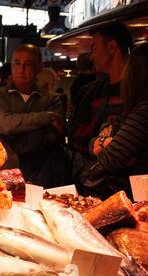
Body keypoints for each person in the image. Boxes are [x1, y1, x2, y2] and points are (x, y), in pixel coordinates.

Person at [0, 44, 69, 188]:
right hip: (6, 175)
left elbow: (48, 137)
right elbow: (6, 125)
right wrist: (47, 117)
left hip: (43, 175)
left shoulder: (52, 100)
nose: (21, 69)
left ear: (39, 67)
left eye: (28, 64)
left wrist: (10, 129)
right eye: (17, 63)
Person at [79, 42, 148, 199]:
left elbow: (110, 158)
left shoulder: (144, 110)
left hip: (139, 197)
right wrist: (104, 140)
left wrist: (103, 142)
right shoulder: (135, 109)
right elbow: (94, 142)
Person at [68, 22, 132, 179]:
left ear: (111, 47)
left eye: (95, 48)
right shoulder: (90, 92)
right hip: (93, 181)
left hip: (131, 183)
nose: (91, 57)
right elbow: (74, 137)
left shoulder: (139, 91)